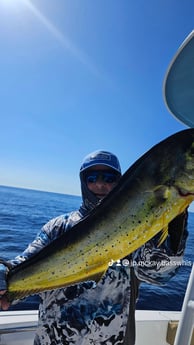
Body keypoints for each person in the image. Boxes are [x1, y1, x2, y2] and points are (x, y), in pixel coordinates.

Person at [0, 150, 188, 345]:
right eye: (92, 177)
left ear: (119, 183)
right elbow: (25, 262)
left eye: (109, 178)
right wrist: (5, 277)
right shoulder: (57, 227)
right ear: (83, 181)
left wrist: (175, 218)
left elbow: (157, 275)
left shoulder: (138, 228)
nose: (100, 184)